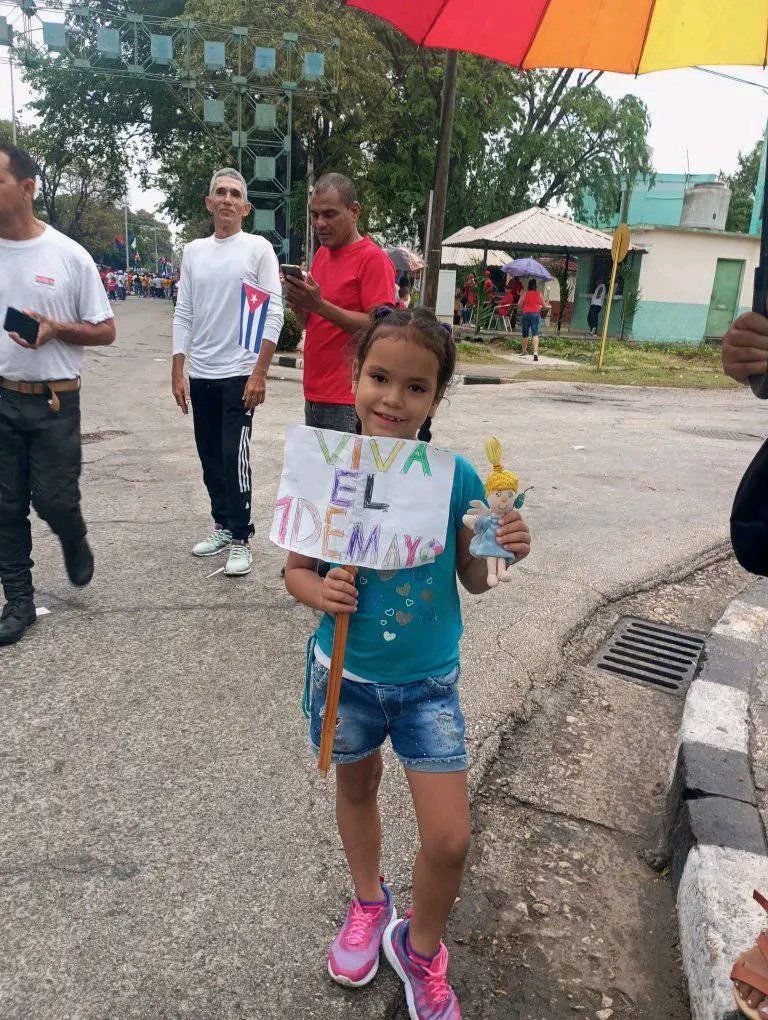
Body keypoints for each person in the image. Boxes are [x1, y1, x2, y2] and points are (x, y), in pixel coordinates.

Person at [284, 306, 531, 1019]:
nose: (393, 400)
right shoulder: (323, 469)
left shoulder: (454, 479)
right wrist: (319, 590)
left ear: (437, 398)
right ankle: (369, 902)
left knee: (450, 839)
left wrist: (503, 546)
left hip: (427, 687)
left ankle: (419, 949)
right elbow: (296, 572)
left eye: (415, 388)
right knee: (356, 791)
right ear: (354, 377)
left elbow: (477, 580)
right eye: (379, 378)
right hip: (346, 679)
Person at [0, 139, 116, 645]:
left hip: (54, 401)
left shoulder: (69, 255)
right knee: (4, 508)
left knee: (53, 500)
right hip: (2, 397)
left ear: (27, 188)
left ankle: (73, 536)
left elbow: (105, 329)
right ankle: (18, 602)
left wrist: (55, 330)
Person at [172, 166, 283, 577]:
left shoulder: (256, 250)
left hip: (239, 372)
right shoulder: (193, 251)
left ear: (246, 207)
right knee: (209, 456)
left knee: (235, 456)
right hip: (201, 372)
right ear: (209, 202)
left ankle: (241, 538)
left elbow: (273, 310)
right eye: (220, 192)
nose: (227, 199)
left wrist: (260, 372)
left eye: (235, 194)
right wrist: (177, 368)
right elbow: (183, 312)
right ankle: (221, 525)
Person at [283, 172, 395, 434]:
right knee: (320, 476)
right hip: (314, 393)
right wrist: (302, 307)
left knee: (347, 476)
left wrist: (320, 305)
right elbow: (313, 323)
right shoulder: (322, 254)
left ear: (354, 211)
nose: (320, 223)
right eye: (314, 214)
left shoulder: (373, 259)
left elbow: (383, 329)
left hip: (348, 398)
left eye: (330, 214)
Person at [519, 279, 548, 360]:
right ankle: (535, 353)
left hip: (526, 314)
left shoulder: (525, 294)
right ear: (536, 286)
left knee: (525, 334)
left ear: (528, 286)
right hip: (535, 315)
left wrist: (521, 295)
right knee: (535, 333)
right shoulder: (539, 294)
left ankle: (524, 351)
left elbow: (520, 305)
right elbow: (544, 306)